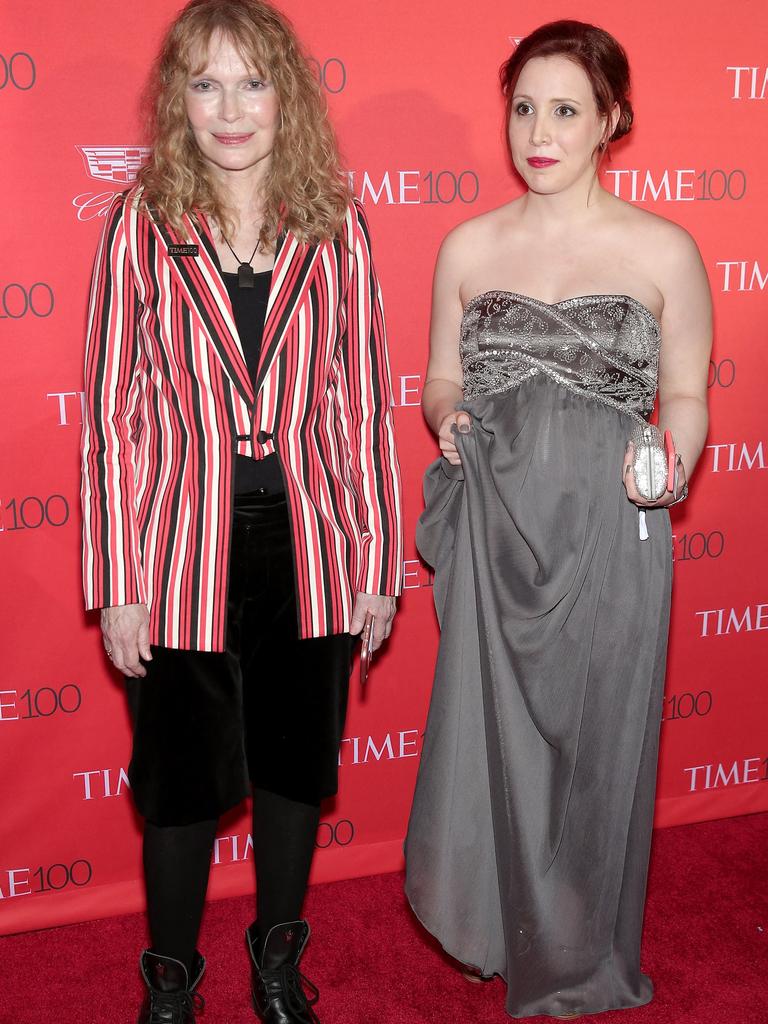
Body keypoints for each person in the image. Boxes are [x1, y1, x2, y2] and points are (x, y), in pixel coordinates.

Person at [80, 1, 402, 1021]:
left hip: (309, 547)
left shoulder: (338, 221)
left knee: (296, 775)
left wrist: (377, 564)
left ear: (287, 98)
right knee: (177, 786)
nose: (230, 109)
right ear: (179, 98)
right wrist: (119, 581)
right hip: (180, 550)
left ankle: (275, 961)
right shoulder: (141, 224)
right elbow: (111, 414)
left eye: (252, 83)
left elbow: (360, 407)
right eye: (206, 83)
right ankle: (171, 980)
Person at [404, 20, 711, 1020]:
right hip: (498, 533)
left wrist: (670, 464)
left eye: (566, 110)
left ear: (611, 121)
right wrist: (448, 418)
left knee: (598, 750)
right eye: (525, 107)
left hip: (613, 534)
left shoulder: (664, 247)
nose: (539, 131)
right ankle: (499, 928)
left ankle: (580, 955)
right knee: (500, 745)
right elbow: (441, 377)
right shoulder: (469, 243)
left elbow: (691, 399)